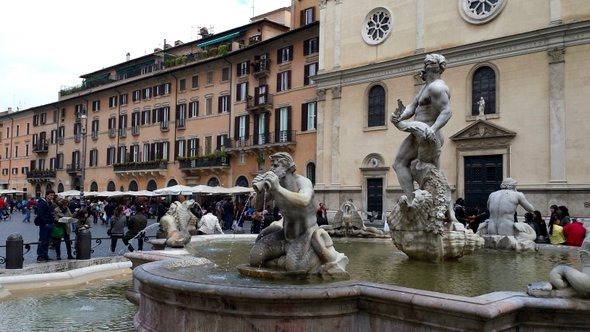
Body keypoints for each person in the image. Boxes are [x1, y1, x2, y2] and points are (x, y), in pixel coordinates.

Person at [249, 152, 345, 271]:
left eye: (275, 166)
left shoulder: (302, 182)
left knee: (293, 267)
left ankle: (318, 254)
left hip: (306, 235)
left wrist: (278, 189)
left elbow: (304, 200)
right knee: (255, 258)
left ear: (288, 168)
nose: (271, 169)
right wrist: (260, 192)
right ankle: (284, 260)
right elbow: (255, 205)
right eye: (272, 166)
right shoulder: (274, 185)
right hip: (284, 235)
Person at [390, 53, 452, 201]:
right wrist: (400, 116)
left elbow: (447, 111)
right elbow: (412, 107)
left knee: (425, 171)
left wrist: (433, 129)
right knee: (399, 164)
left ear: (438, 67)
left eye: (430, 63)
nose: (426, 65)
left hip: (428, 133)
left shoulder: (437, 87)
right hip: (418, 132)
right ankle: (414, 202)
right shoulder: (426, 88)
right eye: (426, 63)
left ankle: (427, 202)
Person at [36, 190, 56, 262]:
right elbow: (40, 214)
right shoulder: (42, 203)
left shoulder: (49, 203)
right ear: (47, 195)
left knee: (47, 240)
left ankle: (45, 255)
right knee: (42, 240)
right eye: (51, 195)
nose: (52, 197)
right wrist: (45, 223)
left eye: (53, 195)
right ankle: (40, 255)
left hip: (49, 224)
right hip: (44, 225)